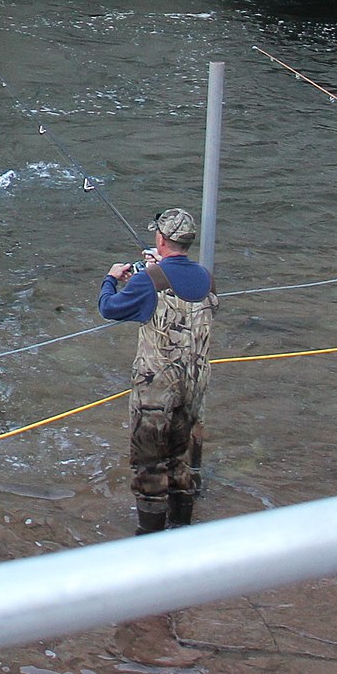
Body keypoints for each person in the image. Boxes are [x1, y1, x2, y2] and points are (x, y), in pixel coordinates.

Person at [101, 208, 217, 535]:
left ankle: (149, 540)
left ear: (161, 238)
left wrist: (112, 279)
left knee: (149, 465)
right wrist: (157, 270)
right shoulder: (208, 278)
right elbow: (184, 290)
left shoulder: (147, 281)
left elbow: (108, 307)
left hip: (156, 389)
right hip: (194, 386)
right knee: (179, 458)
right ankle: (182, 528)